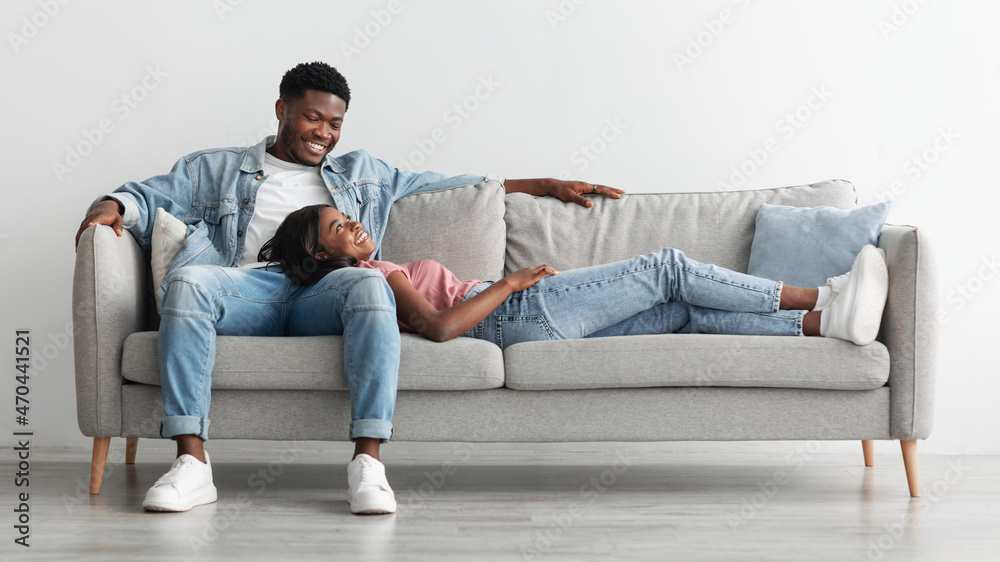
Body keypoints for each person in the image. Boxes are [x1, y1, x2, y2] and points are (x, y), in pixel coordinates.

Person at [73, 62, 624, 515]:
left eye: (334, 125)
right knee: (190, 280)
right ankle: (193, 464)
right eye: (313, 118)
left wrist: (546, 184)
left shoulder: (364, 174)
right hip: (248, 291)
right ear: (282, 110)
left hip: (326, 292)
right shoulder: (216, 169)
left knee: (368, 282)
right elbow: (146, 195)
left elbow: (458, 184)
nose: (324, 134)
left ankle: (368, 463)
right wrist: (111, 207)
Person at [259, 205, 889, 350]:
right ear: (321, 253)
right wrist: (508, 284)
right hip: (509, 313)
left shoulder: (363, 275)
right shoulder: (374, 275)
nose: (354, 227)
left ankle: (819, 323)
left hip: (519, 325)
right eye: (337, 229)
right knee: (666, 267)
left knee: (680, 314)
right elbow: (438, 328)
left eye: (348, 218)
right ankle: (823, 291)